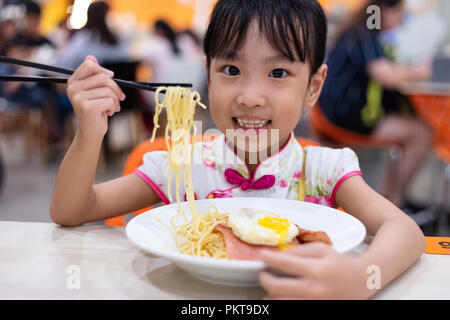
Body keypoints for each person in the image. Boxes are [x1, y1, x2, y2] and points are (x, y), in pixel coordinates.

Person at [50, 0, 425, 300]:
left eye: (278, 73)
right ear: (207, 73)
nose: (249, 97)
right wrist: (89, 133)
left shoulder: (323, 169)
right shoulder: (181, 165)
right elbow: (72, 211)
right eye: (230, 69)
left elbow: (404, 230)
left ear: (313, 86)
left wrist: (362, 278)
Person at [318, 0, 432, 208]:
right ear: (385, 11)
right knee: (420, 133)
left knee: (413, 126)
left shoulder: (363, 31)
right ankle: (395, 204)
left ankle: (388, 199)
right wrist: (419, 72)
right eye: (399, 14)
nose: (400, 22)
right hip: (343, 115)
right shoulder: (364, 33)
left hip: (339, 110)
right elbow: (386, 75)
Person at [56, 1, 130, 70]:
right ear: (105, 16)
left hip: (86, 80)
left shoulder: (84, 37)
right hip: (112, 82)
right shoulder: (115, 39)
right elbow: (124, 62)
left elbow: (64, 63)